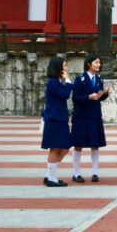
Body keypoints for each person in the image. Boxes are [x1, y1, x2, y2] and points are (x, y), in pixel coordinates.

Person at [70, 53, 109, 183]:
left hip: (94, 115)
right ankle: (76, 173)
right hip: (81, 116)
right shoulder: (79, 78)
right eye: (96, 62)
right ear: (89, 64)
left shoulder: (99, 78)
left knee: (95, 144)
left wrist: (104, 94)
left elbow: (99, 96)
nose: (99, 65)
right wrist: (87, 97)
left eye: (99, 62)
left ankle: (95, 172)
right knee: (78, 144)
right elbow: (75, 97)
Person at [41, 56, 73, 188]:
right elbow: (64, 95)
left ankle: (49, 174)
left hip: (59, 118)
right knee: (55, 148)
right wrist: (68, 80)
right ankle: (51, 178)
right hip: (55, 118)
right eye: (64, 66)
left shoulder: (57, 81)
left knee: (64, 147)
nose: (66, 68)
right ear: (58, 67)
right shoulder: (53, 82)